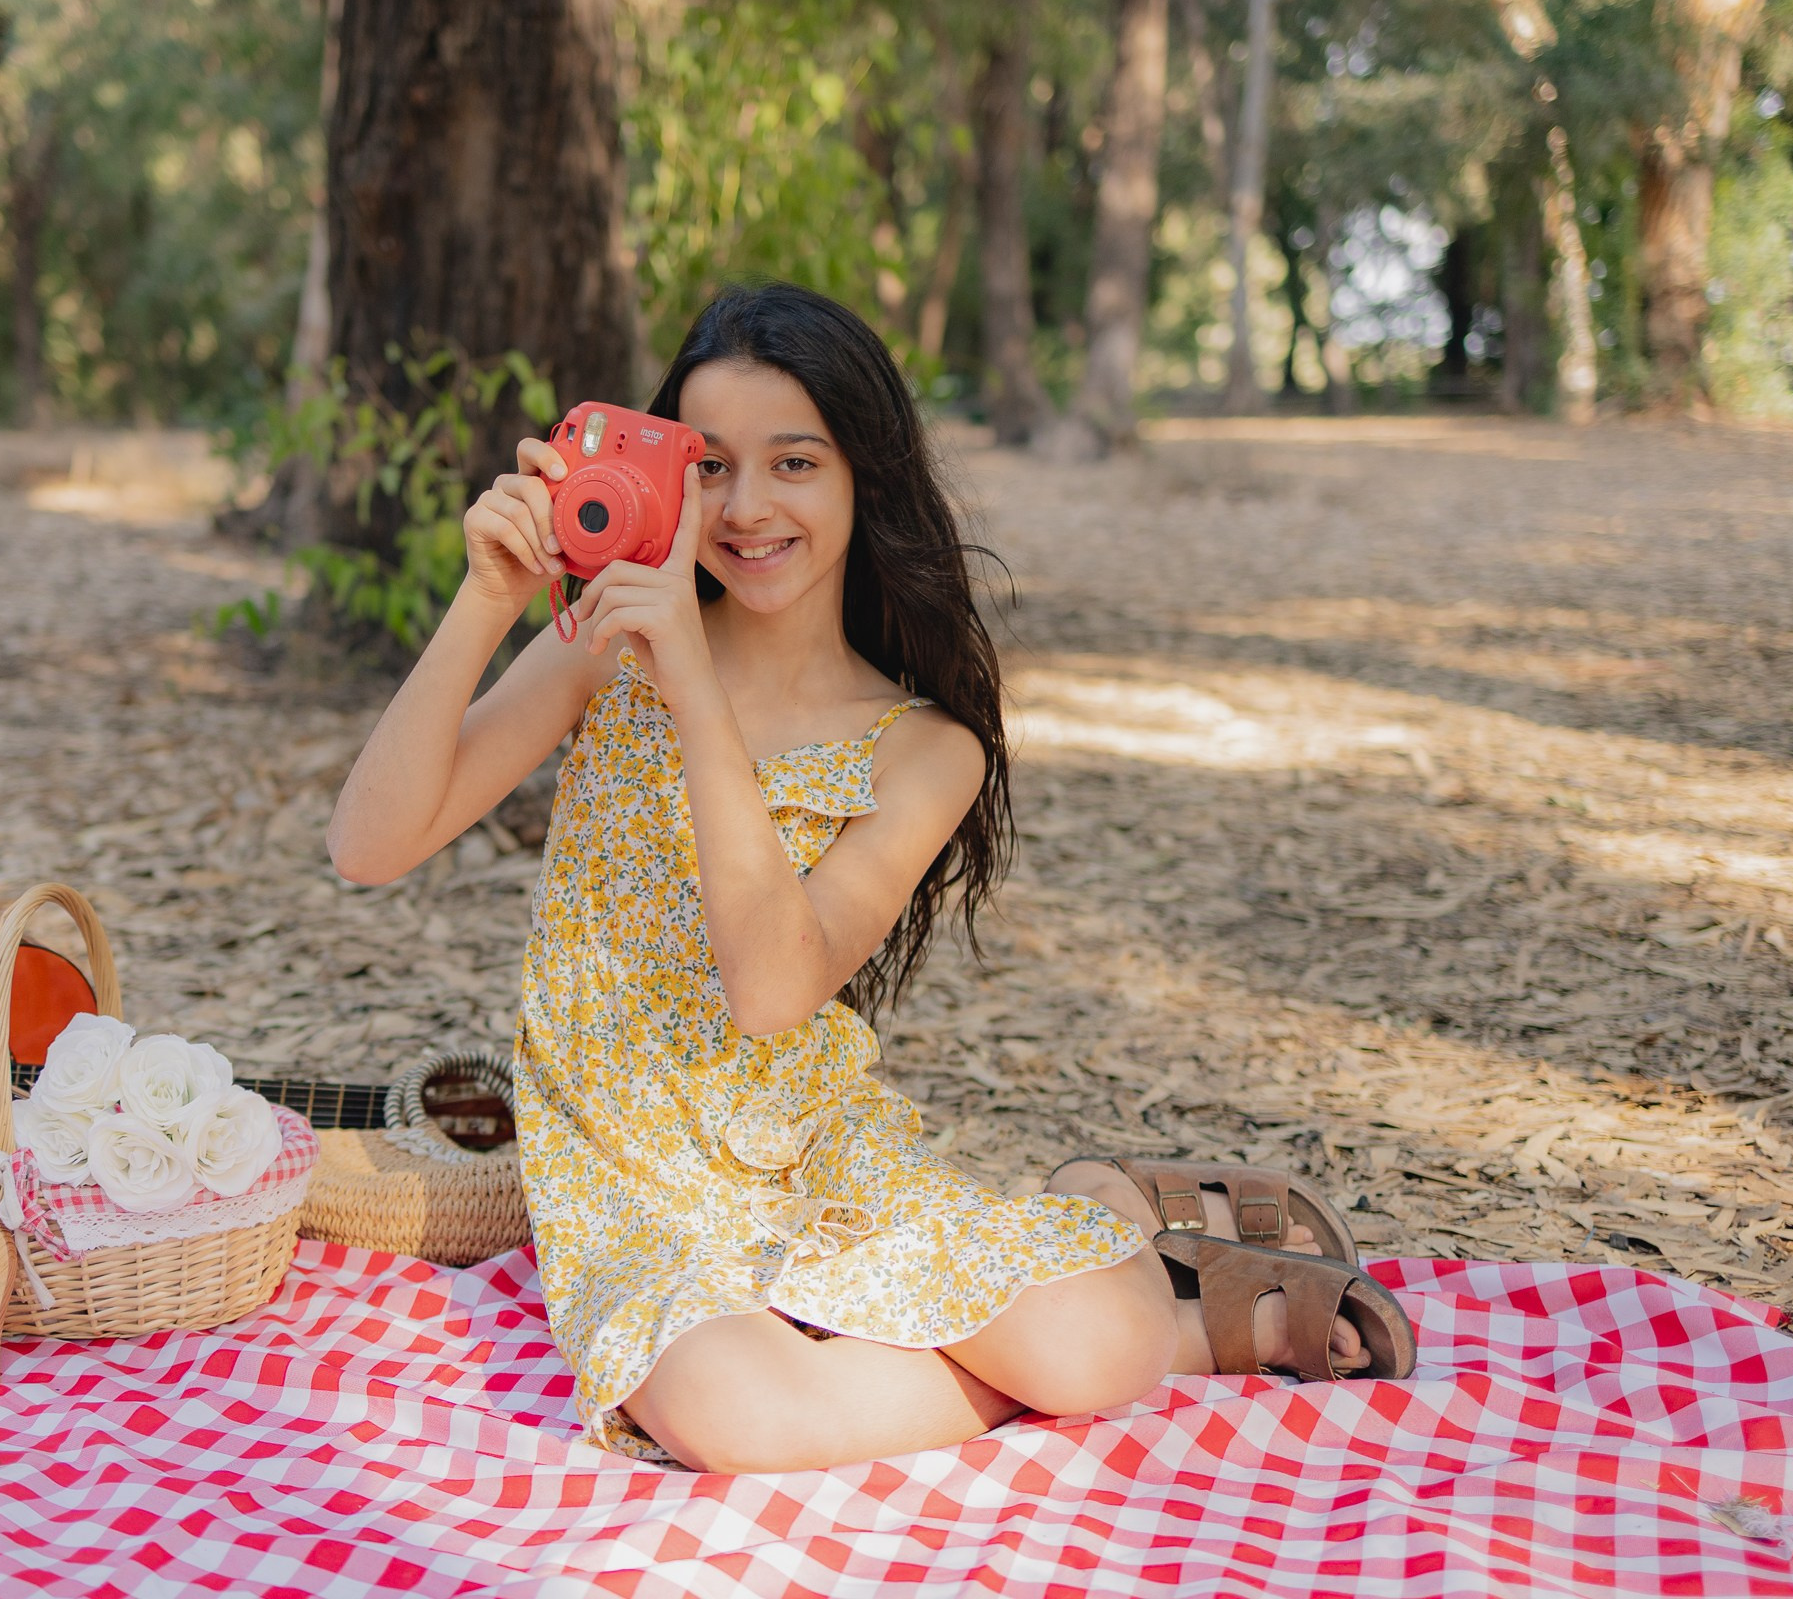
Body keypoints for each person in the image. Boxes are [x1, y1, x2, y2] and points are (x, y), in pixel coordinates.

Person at [327, 283, 1413, 1473]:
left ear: (864, 477)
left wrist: (693, 684)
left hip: (808, 1144)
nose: (747, 508)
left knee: (1098, 1347)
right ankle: (1169, 1308)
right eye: (710, 466)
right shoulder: (602, 649)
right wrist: (487, 598)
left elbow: (771, 993)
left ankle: (1110, 1224)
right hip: (623, 1160)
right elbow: (367, 847)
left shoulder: (923, 749)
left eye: (795, 463)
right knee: (738, 1421)